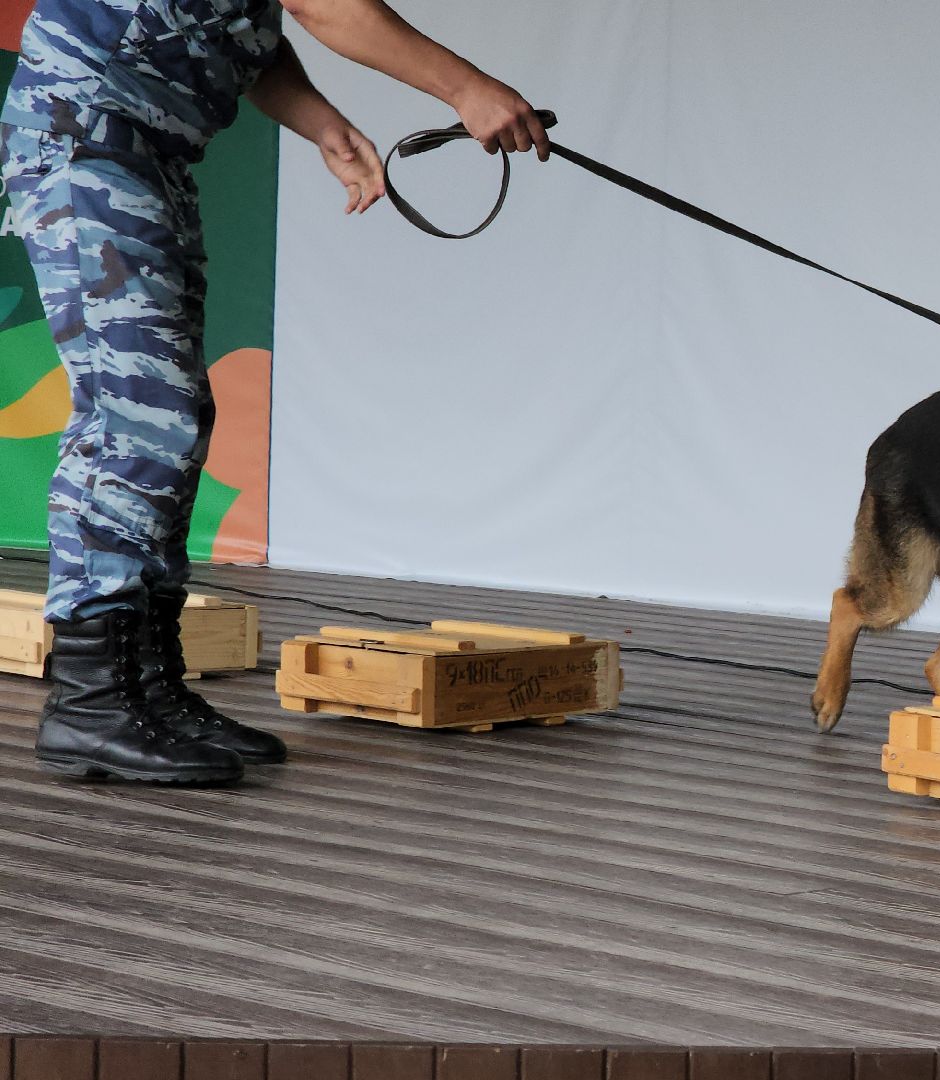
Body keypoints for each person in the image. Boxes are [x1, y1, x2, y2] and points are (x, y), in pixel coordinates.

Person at [1, 0, 547, 784]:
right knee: (136, 419)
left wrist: (323, 123)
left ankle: (147, 686)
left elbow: (248, 33)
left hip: (140, 151)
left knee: (172, 417)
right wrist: (467, 89)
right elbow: (326, 5)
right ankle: (92, 702)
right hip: (87, 139)